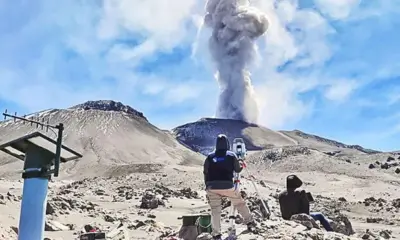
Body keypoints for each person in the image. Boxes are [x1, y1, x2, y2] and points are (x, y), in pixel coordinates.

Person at [203, 134, 256, 239]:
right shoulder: (231, 155)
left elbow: (205, 172)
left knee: (215, 210)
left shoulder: (209, 157)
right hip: (227, 186)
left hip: (211, 187)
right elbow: (237, 170)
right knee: (239, 203)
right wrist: (241, 164)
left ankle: (216, 234)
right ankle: (249, 222)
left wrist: (207, 186)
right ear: (227, 144)